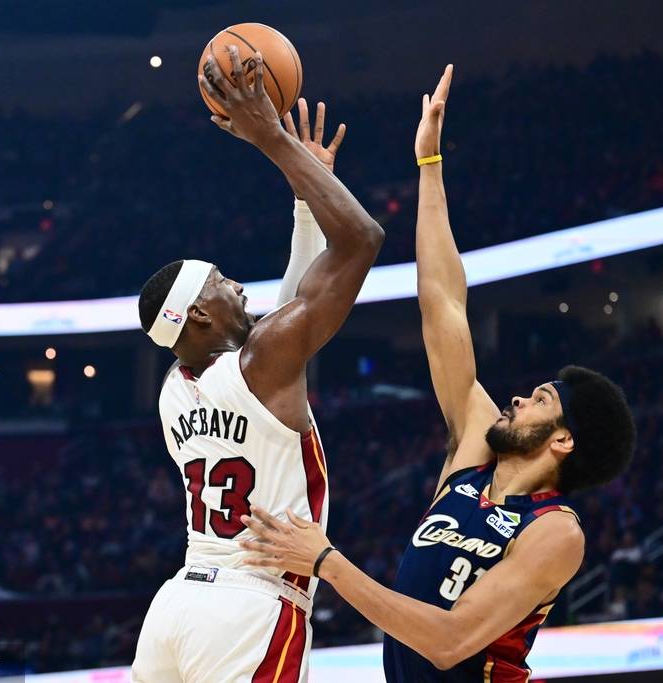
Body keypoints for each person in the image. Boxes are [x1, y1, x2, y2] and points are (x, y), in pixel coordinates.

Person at [239, 65, 636, 681]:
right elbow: (443, 302)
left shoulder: (556, 532)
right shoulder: (474, 455)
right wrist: (429, 165)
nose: (518, 399)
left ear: (564, 440)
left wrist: (325, 561)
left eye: (540, 400)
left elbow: (449, 642)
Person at [131, 46, 383, 683]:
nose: (238, 285)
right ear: (199, 315)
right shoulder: (261, 363)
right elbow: (362, 240)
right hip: (251, 607)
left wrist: (305, 198)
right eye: (220, 281)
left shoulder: (173, 389)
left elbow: (284, 318)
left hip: (175, 606)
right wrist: (275, 140)